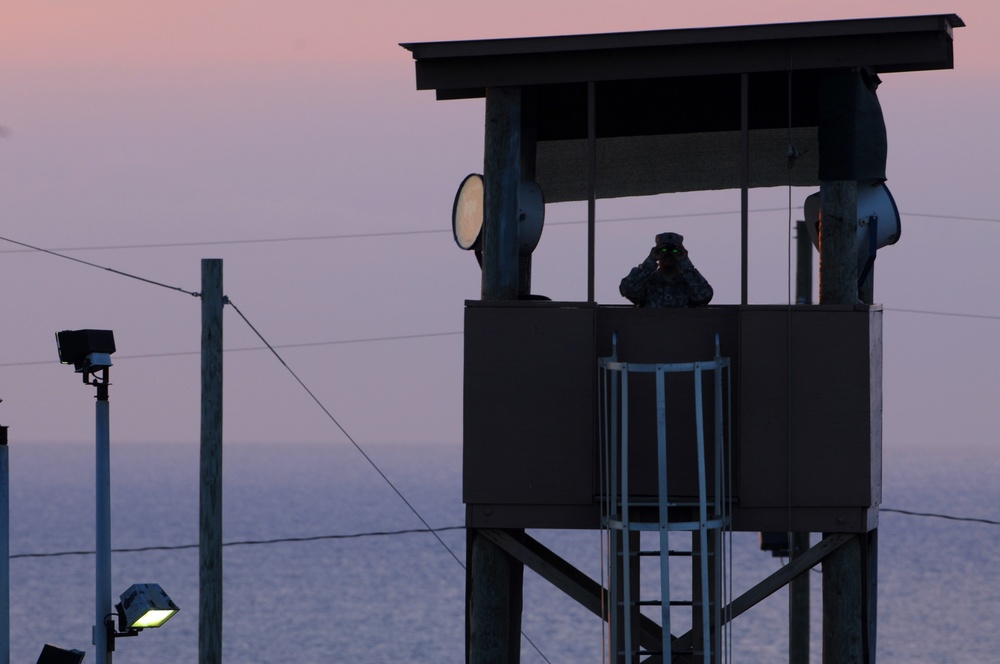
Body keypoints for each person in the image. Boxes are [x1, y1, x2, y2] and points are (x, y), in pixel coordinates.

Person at [619, 232, 713, 308]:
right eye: (663, 251)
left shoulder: (688, 281)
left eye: (675, 251)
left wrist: (686, 263)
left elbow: (704, 296)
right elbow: (627, 290)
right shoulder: (647, 280)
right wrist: (650, 261)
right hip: (650, 329)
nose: (669, 255)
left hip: (682, 329)